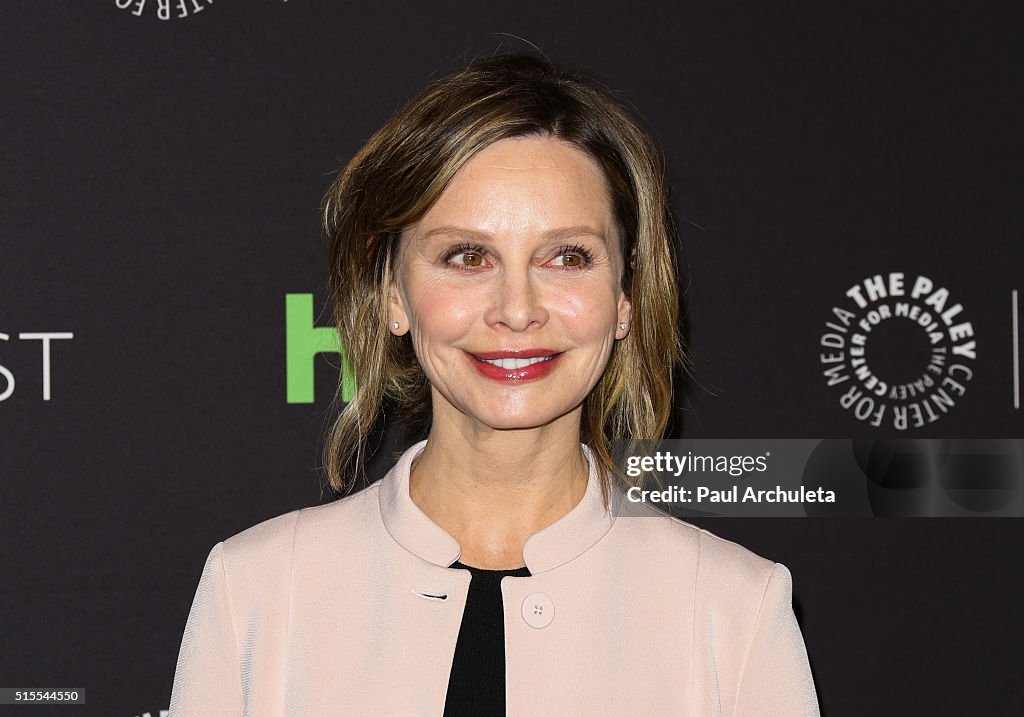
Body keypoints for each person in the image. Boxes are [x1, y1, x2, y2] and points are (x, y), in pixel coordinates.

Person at [169, 52, 820, 715]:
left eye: (567, 256)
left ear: (625, 295)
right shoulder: (254, 590)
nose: (517, 307)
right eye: (468, 256)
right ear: (393, 290)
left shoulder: (733, 609)